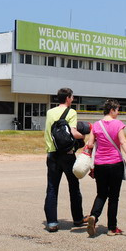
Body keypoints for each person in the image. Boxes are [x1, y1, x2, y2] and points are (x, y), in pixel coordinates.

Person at [82, 99, 126, 237]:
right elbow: (123, 142)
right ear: (112, 110)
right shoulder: (118, 124)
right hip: (115, 164)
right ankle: (112, 228)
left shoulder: (96, 125)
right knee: (114, 197)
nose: (118, 112)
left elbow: (90, 144)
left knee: (101, 194)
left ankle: (94, 217)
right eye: (117, 110)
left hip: (100, 164)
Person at [43, 87, 86, 232]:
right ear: (67, 98)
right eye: (72, 97)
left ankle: (52, 223)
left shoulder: (49, 112)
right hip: (68, 155)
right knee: (74, 187)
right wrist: (84, 136)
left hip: (52, 154)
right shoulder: (71, 112)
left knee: (52, 188)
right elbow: (73, 132)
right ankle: (78, 219)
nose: (73, 99)